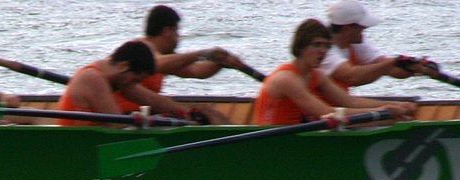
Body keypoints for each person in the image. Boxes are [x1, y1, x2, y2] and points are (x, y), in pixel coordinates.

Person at [252, 19, 414, 126]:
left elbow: (350, 102)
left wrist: (396, 106)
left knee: (391, 119)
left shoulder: (317, 75)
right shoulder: (286, 79)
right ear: (301, 47)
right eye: (317, 45)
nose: (323, 51)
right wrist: (382, 113)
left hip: (298, 137)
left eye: (326, 46)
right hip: (273, 143)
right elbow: (327, 113)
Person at [112, 5, 241, 121]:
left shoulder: (167, 58)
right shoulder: (141, 48)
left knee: (208, 111)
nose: (178, 37)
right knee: (206, 114)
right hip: (126, 116)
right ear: (167, 31)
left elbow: (197, 71)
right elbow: (156, 63)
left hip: (145, 112)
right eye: (177, 31)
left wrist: (222, 63)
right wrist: (203, 53)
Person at [56, 40, 223, 126]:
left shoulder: (119, 77)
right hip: (80, 144)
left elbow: (154, 101)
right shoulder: (92, 78)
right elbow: (117, 125)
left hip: (96, 141)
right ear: (123, 66)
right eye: (135, 80)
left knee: (207, 113)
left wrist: (190, 113)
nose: (134, 84)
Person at [321, 0, 433, 88]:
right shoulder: (324, 49)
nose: (365, 29)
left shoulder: (356, 42)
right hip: (319, 113)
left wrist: (416, 68)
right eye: (362, 27)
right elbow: (353, 77)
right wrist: (394, 62)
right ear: (347, 28)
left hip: (339, 107)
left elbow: (391, 69)